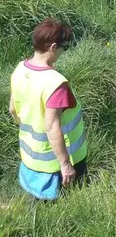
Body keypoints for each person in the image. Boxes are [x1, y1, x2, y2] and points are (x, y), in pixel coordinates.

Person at [9, 19, 88, 201]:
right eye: (64, 48)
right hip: (58, 164)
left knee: (36, 204)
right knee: (69, 205)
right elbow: (52, 127)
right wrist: (65, 165)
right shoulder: (55, 83)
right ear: (53, 47)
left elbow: (12, 109)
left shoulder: (20, 70)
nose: (64, 52)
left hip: (31, 158)